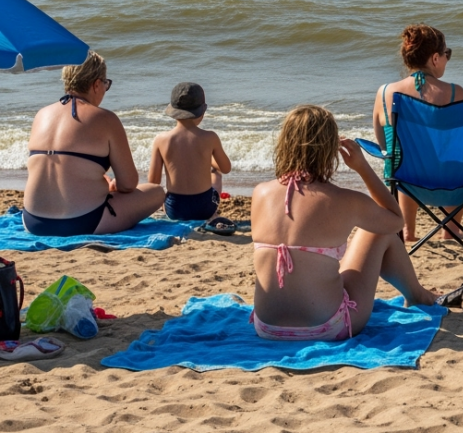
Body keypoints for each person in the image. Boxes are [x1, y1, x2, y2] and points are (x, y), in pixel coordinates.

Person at [252, 105, 437, 341]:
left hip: (266, 328)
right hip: (327, 327)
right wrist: (363, 167)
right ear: (330, 149)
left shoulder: (260, 194)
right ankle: (417, 295)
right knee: (376, 233)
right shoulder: (342, 200)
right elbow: (395, 221)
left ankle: (417, 295)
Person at [22, 52, 165, 236]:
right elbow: (128, 184)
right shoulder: (106, 119)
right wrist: (112, 185)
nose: (105, 89)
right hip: (83, 223)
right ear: (96, 84)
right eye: (106, 83)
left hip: (33, 222)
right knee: (155, 191)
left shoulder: (41, 115)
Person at [372, 24, 463, 242]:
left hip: (402, 179)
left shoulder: (384, 92)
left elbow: (384, 144)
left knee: (404, 158)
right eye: (446, 54)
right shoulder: (456, 93)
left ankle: (408, 231)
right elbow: (461, 144)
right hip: (448, 181)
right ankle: (450, 231)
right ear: (435, 59)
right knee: (457, 161)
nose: (446, 59)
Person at [148, 82, 232, 221]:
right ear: (201, 112)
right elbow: (226, 168)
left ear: (173, 112)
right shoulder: (210, 137)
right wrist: (209, 160)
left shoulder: (160, 139)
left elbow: (153, 183)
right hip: (204, 209)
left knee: (167, 193)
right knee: (216, 174)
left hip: (174, 210)